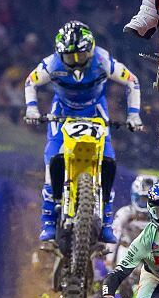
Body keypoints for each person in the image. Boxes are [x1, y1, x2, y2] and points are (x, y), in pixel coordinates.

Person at [23, 21, 143, 244]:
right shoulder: (51, 63)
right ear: (61, 54)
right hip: (62, 112)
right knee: (52, 162)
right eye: (70, 57)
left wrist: (134, 114)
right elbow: (30, 82)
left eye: (80, 55)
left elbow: (132, 81)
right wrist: (32, 108)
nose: (76, 63)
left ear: (91, 48)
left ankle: (106, 223)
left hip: (95, 111)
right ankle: (48, 222)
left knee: (107, 160)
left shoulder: (102, 60)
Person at [109, 174, 155, 271]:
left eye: (150, 200)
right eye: (143, 199)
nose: (146, 204)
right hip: (129, 251)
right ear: (135, 196)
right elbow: (114, 236)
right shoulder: (125, 213)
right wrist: (109, 261)